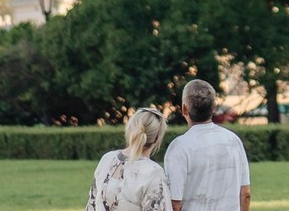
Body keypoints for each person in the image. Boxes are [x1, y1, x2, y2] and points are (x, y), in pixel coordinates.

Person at [164, 78, 251, 211]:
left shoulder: (179, 147)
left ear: (184, 109)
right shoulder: (233, 141)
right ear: (213, 108)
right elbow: (245, 194)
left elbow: (175, 203)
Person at [85, 106, 173, 211]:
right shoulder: (154, 172)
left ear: (130, 129)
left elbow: (91, 206)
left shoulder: (107, 159)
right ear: (158, 137)